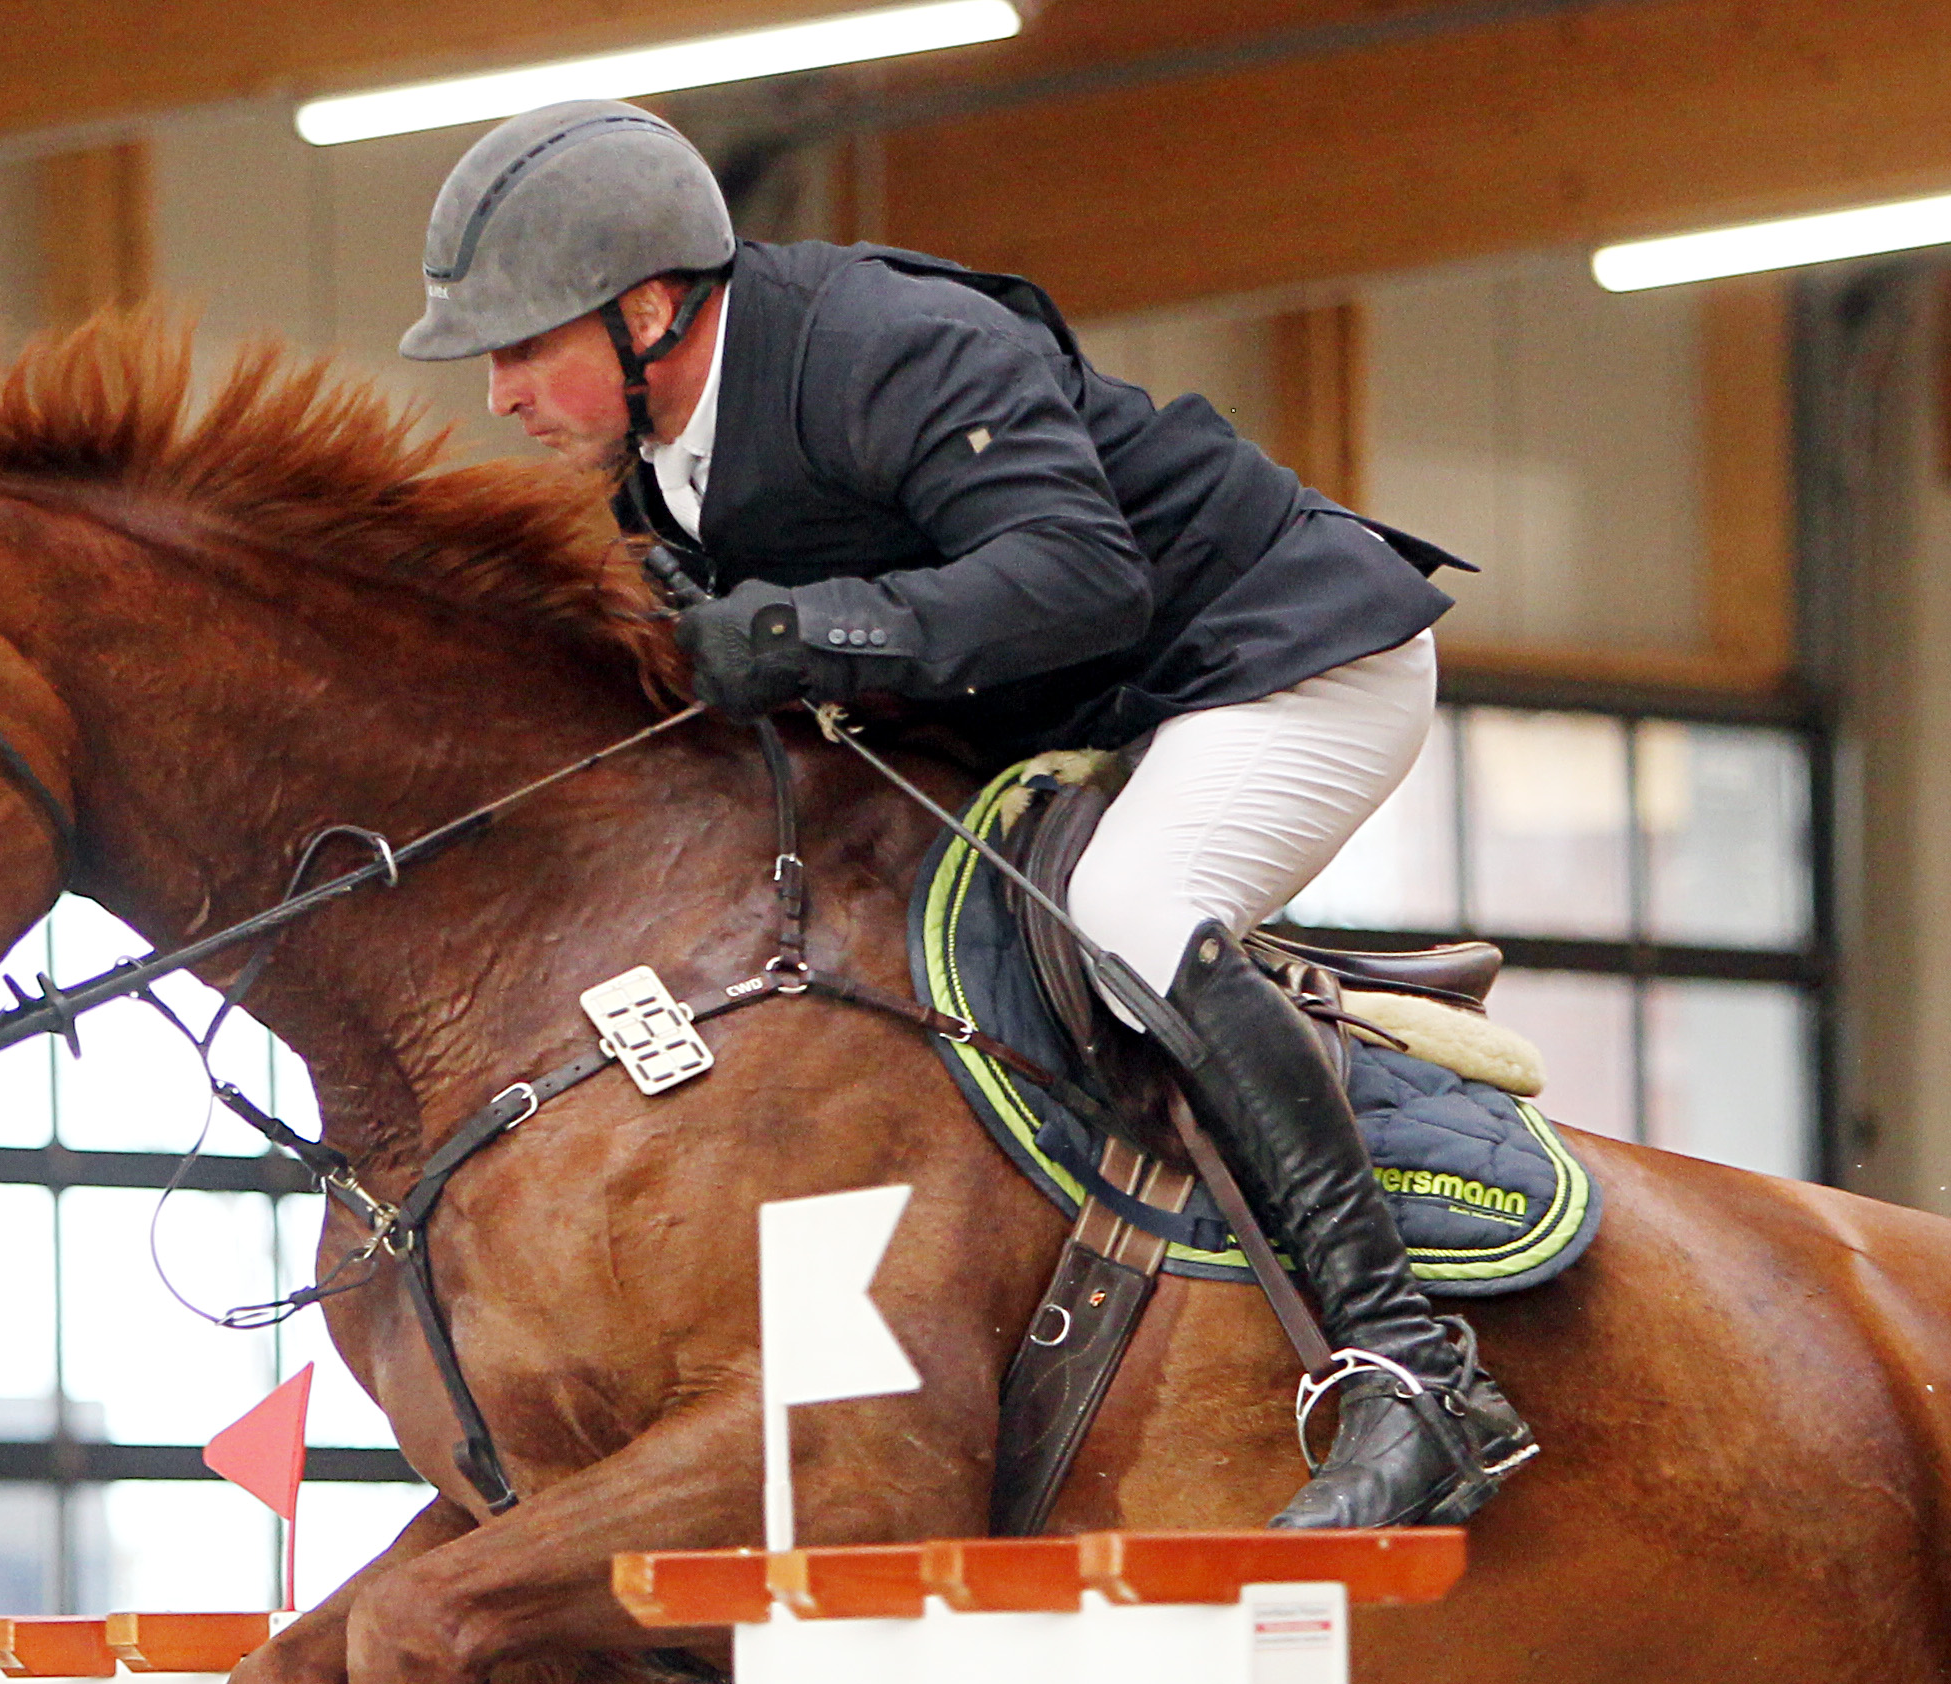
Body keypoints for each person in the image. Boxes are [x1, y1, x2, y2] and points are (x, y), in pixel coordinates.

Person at [401, 99, 1536, 1531]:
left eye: (520, 350)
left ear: (644, 312)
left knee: (1131, 916)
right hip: (1089, 719)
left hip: (1282, 661)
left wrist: (816, 630)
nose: (498, 395)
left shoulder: (886, 346)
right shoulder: (658, 469)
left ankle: (1411, 1372)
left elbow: (1079, 578)